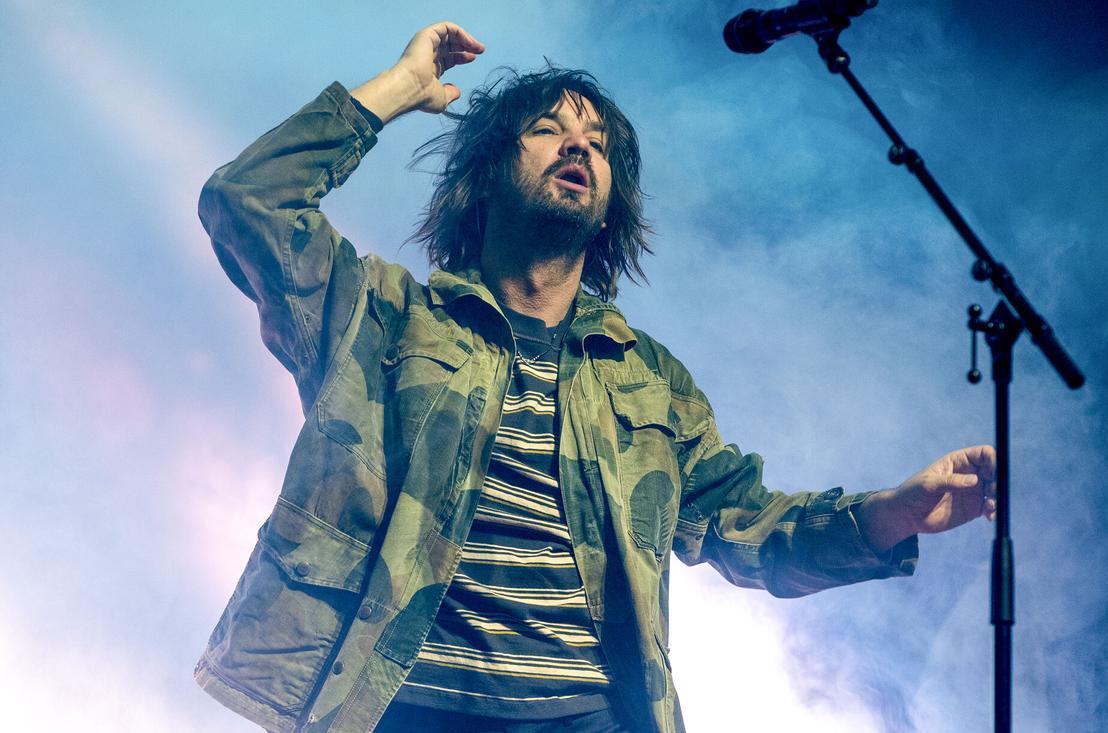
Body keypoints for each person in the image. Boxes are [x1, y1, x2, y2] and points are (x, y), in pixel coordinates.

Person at [195, 21, 997, 733]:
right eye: (548, 131)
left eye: (598, 144)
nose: (578, 146)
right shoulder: (380, 316)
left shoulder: (648, 381)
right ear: (486, 175)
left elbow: (747, 525)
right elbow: (249, 198)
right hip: (395, 705)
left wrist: (889, 514)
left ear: (609, 208)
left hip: (588, 716)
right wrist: (400, 88)